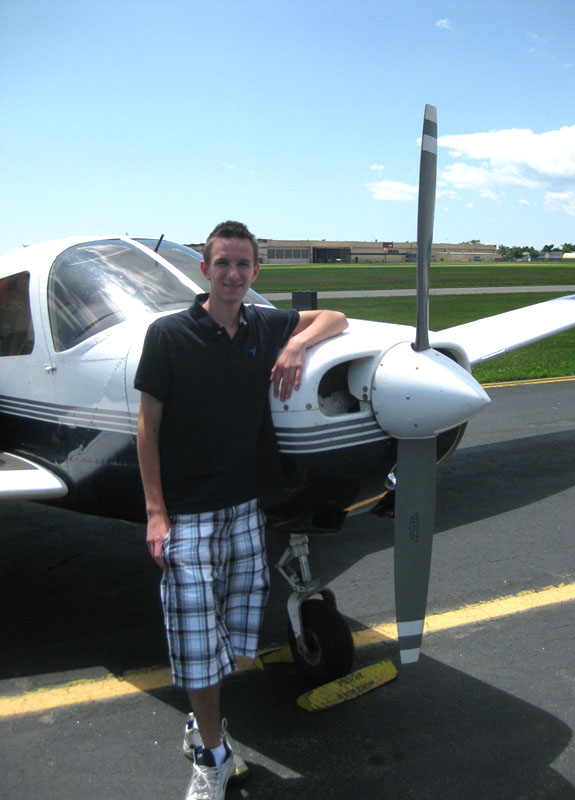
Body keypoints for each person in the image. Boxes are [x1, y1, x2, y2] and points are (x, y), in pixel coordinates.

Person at [134, 221, 347, 800]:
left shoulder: (262, 323)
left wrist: (297, 343)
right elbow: (147, 427)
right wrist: (156, 513)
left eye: (243, 265)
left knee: (233, 640)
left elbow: (335, 318)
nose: (233, 274)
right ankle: (212, 755)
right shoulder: (168, 334)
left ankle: (201, 724)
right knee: (198, 643)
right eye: (223, 263)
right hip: (188, 515)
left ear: (256, 273)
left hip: (245, 512)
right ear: (205, 270)